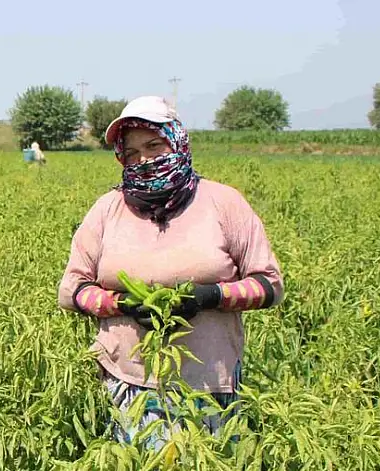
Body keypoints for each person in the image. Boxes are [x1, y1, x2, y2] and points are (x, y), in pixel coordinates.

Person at [57, 95, 283, 450]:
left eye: (153, 145)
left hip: (210, 381)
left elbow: (269, 285)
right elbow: (72, 290)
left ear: (177, 140)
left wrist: (211, 297)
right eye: (131, 153)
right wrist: (123, 304)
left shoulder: (224, 203)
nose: (143, 160)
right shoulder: (108, 209)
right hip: (128, 380)